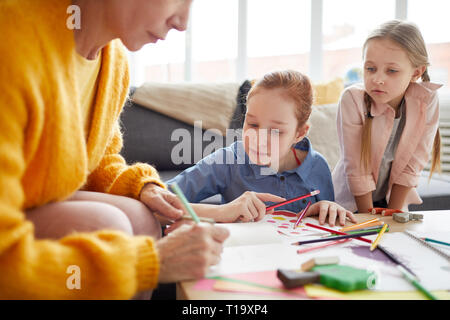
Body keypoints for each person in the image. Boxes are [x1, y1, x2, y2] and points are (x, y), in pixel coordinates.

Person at [0, 0, 229, 299]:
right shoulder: (13, 38)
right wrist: (147, 264)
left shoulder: (113, 60)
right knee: (106, 225)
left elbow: (96, 160)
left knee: (140, 216)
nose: (182, 22)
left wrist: (141, 187)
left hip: (28, 203)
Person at [166, 70, 357, 231]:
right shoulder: (229, 160)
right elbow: (161, 200)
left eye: (275, 131)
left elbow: (329, 226)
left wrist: (327, 207)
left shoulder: (317, 167)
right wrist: (221, 212)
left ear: (300, 132)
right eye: (253, 124)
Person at [332, 20, 442, 214]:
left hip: (392, 200)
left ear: (416, 72)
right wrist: (368, 219)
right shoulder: (352, 99)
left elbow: (412, 164)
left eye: (391, 71)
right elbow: (358, 169)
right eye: (370, 69)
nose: (378, 79)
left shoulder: (428, 100)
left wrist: (394, 214)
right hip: (350, 204)